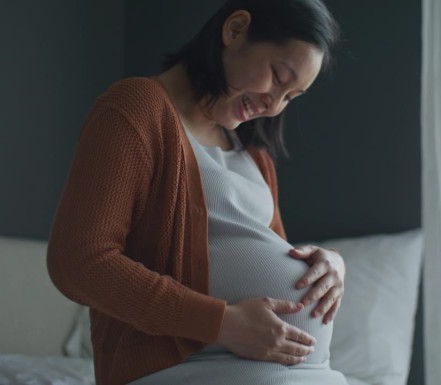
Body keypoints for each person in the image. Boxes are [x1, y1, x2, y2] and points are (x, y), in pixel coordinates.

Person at [46, 0, 346, 384]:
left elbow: (272, 258)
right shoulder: (137, 108)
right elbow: (77, 263)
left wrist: (331, 264)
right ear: (235, 30)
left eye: (290, 97)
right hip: (175, 369)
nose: (273, 106)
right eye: (277, 75)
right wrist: (220, 324)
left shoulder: (254, 153)